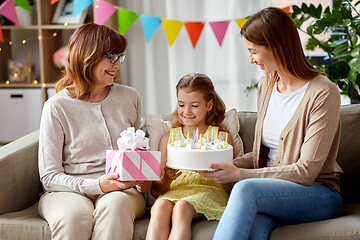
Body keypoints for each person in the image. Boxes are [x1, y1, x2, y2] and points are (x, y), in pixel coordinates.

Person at [201, 7, 343, 240]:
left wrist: (240, 175)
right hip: (271, 192)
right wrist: (224, 165)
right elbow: (262, 156)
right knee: (256, 228)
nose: (251, 59)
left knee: (245, 189)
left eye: (253, 51)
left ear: (276, 46)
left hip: (318, 193)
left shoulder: (322, 92)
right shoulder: (266, 86)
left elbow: (306, 171)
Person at [38, 23, 150, 240]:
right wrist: (96, 185)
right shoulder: (56, 106)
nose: (117, 65)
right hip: (66, 191)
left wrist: (142, 178)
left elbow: (136, 151)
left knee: (116, 207)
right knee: (73, 217)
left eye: (120, 57)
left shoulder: (130, 98)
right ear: (88, 56)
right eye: (111, 57)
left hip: (121, 191)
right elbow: (49, 176)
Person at [146, 73, 234, 240]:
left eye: (194, 105)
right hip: (175, 192)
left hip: (208, 192)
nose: (186, 112)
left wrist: (217, 176)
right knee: (160, 207)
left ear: (209, 105)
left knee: (181, 208)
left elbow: (231, 187)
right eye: (181, 105)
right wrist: (167, 178)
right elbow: (156, 191)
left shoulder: (221, 138)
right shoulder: (168, 140)